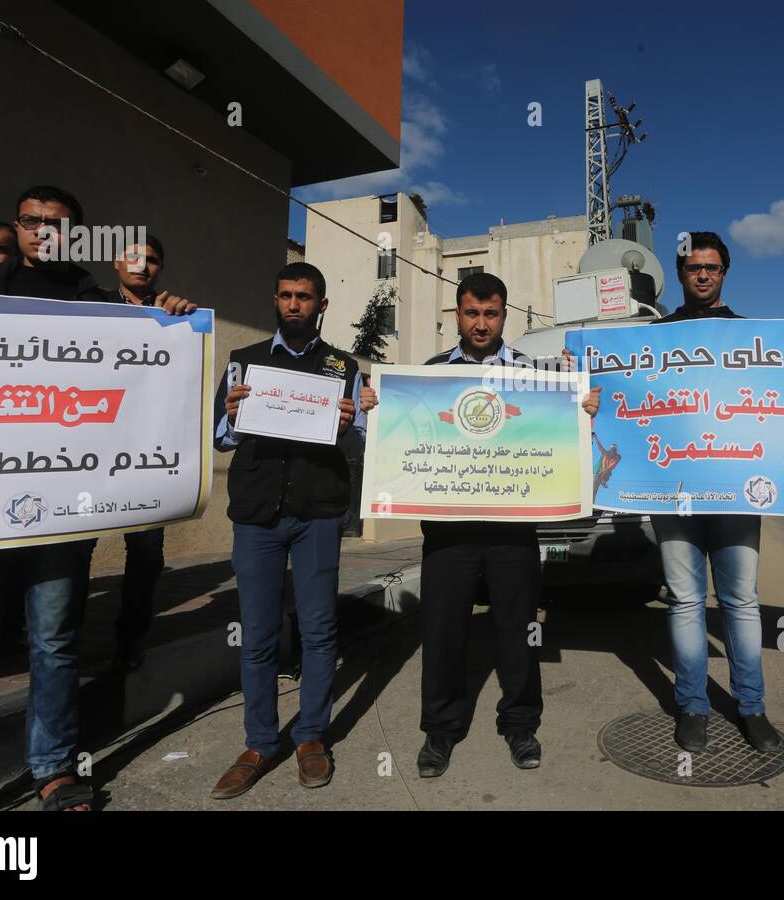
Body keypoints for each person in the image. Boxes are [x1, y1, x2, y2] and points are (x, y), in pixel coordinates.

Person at [0, 186, 194, 812]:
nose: (42, 232)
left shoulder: (95, 304)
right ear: (17, 226)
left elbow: (146, 377)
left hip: (61, 516)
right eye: (31, 221)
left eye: (56, 225)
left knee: (54, 645)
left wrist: (171, 320)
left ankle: (54, 770)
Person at [364, 272, 600, 777]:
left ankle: (520, 724)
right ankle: (440, 731)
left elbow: (558, 434)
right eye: (471, 313)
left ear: (504, 316)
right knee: (443, 631)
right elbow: (404, 436)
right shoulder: (428, 376)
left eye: (490, 314)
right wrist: (375, 412)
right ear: (457, 315)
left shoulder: (536, 378)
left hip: (512, 533)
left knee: (518, 632)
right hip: (448, 534)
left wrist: (581, 411)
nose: (480, 323)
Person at [209, 261, 369, 799]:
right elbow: (219, 438)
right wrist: (231, 416)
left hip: (318, 515)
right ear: (275, 301)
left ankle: (310, 738)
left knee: (319, 630)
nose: (293, 304)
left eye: (304, 296)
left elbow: (361, 437)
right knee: (257, 634)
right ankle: (259, 743)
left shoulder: (342, 367)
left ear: (321, 305)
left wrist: (349, 424)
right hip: (256, 517)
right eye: (285, 295)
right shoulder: (244, 363)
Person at [645, 232, 783, 756]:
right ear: (680, 274)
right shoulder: (653, 337)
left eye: (712, 267)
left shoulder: (756, 338)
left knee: (741, 602)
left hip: (734, 495)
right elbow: (618, 393)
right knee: (684, 601)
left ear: (725, 272)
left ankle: (751, 707)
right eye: (694, 267)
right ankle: (693, 706)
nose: (703, 275)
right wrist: (581, 383)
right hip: (673, 493)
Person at [105, 237, 198, 671]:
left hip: (147, 455)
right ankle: (59, 642)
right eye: (134, 257)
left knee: (145, 552)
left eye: (153, 260)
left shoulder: (175, 317)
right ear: (116, 261)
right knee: (75, 549)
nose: (143, 266)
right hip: (85, 455)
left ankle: (131, 639)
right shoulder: (87, 306)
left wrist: (184, 322)